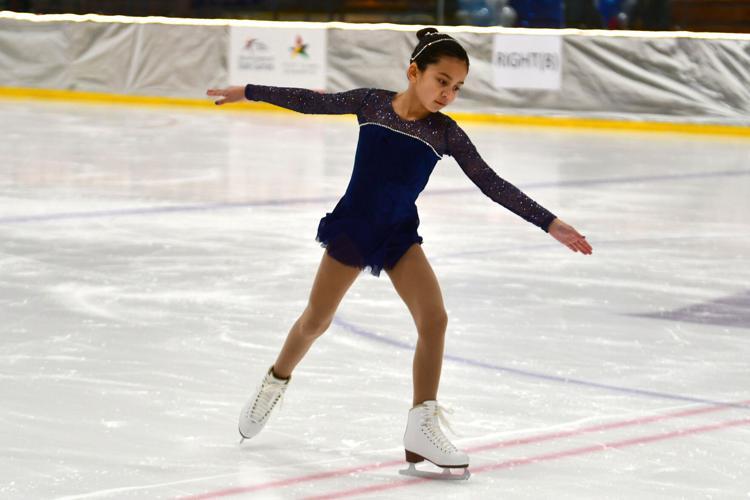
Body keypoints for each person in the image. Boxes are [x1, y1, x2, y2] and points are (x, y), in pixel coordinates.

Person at [206, 27, 592, 480]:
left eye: (457, 87)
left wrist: (550, 222)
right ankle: (275, 381)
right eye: (442, 81)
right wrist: (248, 92)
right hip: (354, 228)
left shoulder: (445, 134)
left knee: (435, 319)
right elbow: (313, 101)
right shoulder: (371, 104)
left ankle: (421, 426)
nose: (448, 94)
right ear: (414, 72)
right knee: (315, 320)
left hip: (398, 235)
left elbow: (492, 184)